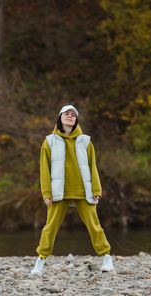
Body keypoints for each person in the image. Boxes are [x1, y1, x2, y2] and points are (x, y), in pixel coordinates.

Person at [30, 105, 114, 276]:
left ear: (76, 120)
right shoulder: (49, 141)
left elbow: (93, 166)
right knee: (50, 227)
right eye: (67, 114)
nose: (70, 116)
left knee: (94, 226)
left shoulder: (86, 141)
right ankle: (40, 261)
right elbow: (44, 169)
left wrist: (97, 189)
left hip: (84, 190)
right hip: (57, 192)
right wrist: (46, 193)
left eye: (73, 115)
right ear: (60, 118)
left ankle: (107, 258)